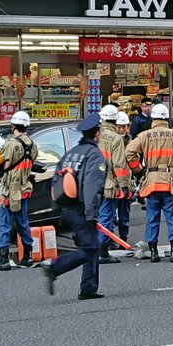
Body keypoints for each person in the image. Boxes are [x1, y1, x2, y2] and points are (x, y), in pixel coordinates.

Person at [42, 115, 111, 301]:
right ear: (96, 134)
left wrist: (56, 208)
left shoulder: (71, 153)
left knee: (91, 246)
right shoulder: (94, 156)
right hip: (82, 209)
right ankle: (55, 267)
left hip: (67, 208)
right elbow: (92, 187)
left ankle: (89, 287)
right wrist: (92, 215)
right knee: (90, 248)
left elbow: (55, 181)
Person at [124, 102, 173, 262]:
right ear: (166, 119)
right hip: (170, 181)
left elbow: (129, 152)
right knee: (172, 217)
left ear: (153, 118)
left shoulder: (145, 135)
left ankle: (154, 252)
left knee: (152, 217)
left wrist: (139, 170)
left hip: (152, 181)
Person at [0, 111, 38, 271]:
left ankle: (3, 260)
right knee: (23, 222)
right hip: (24, 189)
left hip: (9, 190)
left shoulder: (10, 144)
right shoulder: (32, 144)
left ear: (13, 126)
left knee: (4, 223)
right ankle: (27, 257)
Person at [97, 104, 132, 260]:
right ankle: (102, 251)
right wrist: (124, 186)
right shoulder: (116, 139)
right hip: (109, 183)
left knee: (95, 216)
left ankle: (95, 246)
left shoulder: (94, 134)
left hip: (92, 182)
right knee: (106, 216)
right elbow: (119, 165)